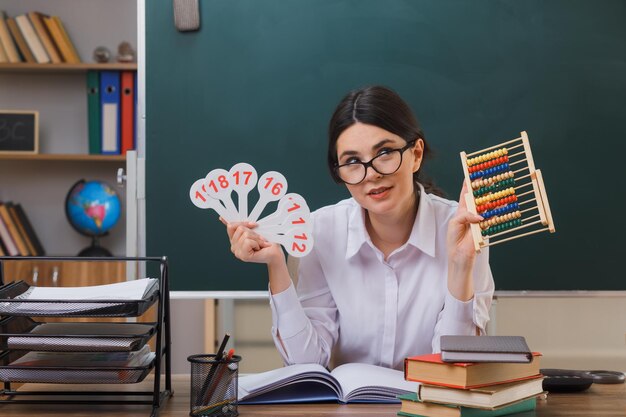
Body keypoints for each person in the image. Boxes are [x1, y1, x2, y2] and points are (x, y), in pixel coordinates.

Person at [222, 86, 494, 371]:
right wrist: (276, 265)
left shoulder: (463, 230)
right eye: (352, 161)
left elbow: (455, 365)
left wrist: (461, 266)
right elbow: (306, 364)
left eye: (385, 152)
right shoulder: (319, 233)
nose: (372, 174)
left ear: (415, 154)